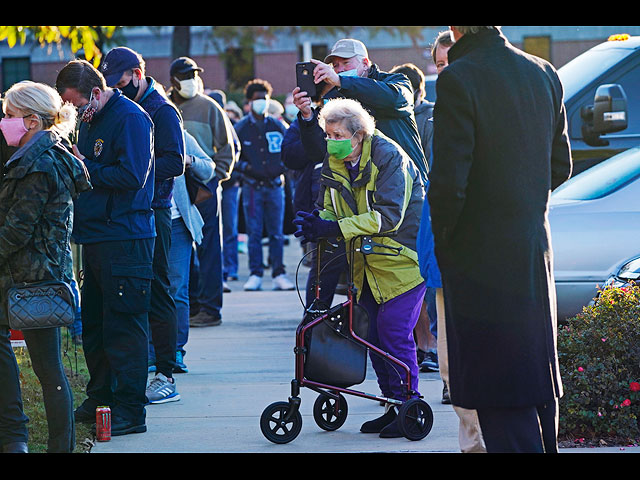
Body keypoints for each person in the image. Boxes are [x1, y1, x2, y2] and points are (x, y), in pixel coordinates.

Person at [428, 26, 572, 453]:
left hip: (479, 259)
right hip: (531, 248)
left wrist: (447, 242)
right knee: (535, 384)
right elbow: (560, 165)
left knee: (499, 393)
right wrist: (523, 206)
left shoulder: (458, 77)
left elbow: (449, 181)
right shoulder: (542, 70)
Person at [294, 98, 425, 438]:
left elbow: (388, 217)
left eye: (336, 134)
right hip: (364, 264)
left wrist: (334, 228)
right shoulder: (335, 160)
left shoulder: (390, 157)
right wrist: (315, 222)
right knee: (368, 334)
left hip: (403, 261)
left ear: (359, 135)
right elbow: (329, 207)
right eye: (327, 134)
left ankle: (411, 402)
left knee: (394, 333)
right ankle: (394, 402)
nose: (330, 141)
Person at [56, 59, 156, 437]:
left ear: (95, 94)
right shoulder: (90, 119)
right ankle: (101, 396)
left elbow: (133, 175)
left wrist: (85, 168)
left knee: (124, 326)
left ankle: (131, 408)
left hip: (125, 237)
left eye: (76, 105)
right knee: (95, 325)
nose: (75, 113)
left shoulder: (131, 118)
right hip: (96, 235)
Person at [0, 81, 91, 453]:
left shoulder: (39, 163)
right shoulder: (45, 154)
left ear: (33, 121)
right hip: (35, 276)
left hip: (31, 278)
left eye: (10, 116)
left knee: (49, 369)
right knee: (48, 366)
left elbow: (17, 229)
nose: (4, 122)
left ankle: (52, 444)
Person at [101, 46, 186, 404]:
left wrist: (138, 169)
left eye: (121, 81)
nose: (116, 90)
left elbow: (176, 162)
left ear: (137, 73)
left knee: (159, 288)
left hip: (155, 210)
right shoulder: (121, 107)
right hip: (128, 214)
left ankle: (166, 371)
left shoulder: (161, 110)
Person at [294, 38, 428, 183]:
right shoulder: (334, 98)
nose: (340, 70)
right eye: (336, 65)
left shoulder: (396, 81)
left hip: (408, 180)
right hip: (365, 187)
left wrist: (341, 82)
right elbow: (320, 152)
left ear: (365, 63)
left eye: (346, 63)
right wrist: (307, 116)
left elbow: (393, 99)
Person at [168, 57, 237, 327]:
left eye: (194, 75)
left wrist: (213, 181)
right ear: (174, 79)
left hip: (204, 189)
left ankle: (210, 310)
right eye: (186, 75)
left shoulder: (210, 107)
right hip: (174, 192)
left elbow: (229, 149)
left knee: (209, 251)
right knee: (181, 252)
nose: (191, 80)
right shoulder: (164, 106)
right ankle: (192, 306)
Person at [389, 62, 439, 374]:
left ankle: (432, 344)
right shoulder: (393, 114)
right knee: (413, 276)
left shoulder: (431, 118)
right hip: (404, 205)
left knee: (429, 281)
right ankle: (422, 343)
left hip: (427, 202)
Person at [234, 79, 295, 292]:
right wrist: (248, 169)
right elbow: (233, 155)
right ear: (249, 102)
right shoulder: (240, 128)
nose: (261, 103)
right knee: (254, 232)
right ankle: (255, 273)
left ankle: (279, 272)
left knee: (277, 233)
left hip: (275, 186)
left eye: (264, 99)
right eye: (257, 99)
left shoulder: (278, 125)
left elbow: (290, 150)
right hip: (252, 187)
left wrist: (281, 168)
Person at [169, 130, 216, 374]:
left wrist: (188, 160)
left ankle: (176, 350)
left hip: (177, 222)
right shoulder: (130, 128)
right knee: (147, 289)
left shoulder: (180, 134)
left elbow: (209, 168)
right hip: (142, 222)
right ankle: (151, 351)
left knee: (176, 289)